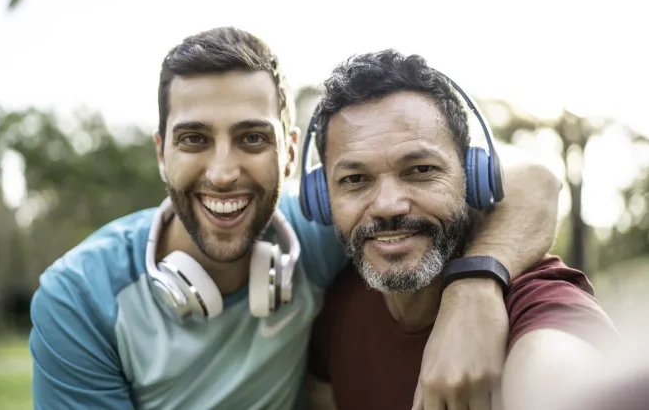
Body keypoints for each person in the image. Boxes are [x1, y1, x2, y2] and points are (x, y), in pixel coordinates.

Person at [28, 27, 561, 410]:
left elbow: (535, 183)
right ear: (161, 152)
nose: (221, 172)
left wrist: (471, 293)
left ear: (289, 157)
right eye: (194, 139)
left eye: (251, 138)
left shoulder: (331, 226)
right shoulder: (77, 298)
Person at [305, 50, 619, 410]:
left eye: (420, 170)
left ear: (472, 177)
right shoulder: (335, 309)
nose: (388, 205)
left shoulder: (536, 301)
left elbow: (558, 369)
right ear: (322, 199)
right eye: (355, 179)